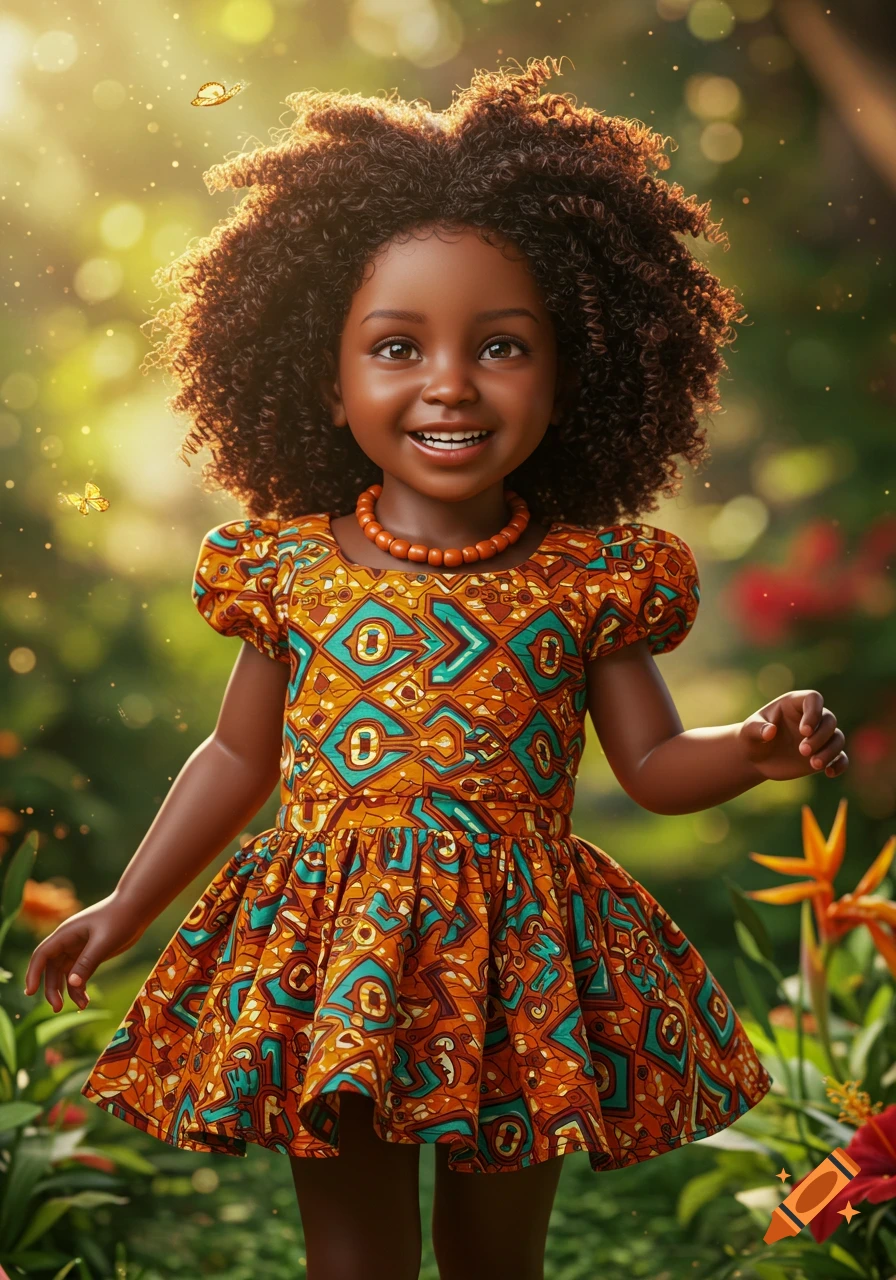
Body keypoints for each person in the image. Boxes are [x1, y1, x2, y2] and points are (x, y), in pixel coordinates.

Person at [24, 56, 848, 1280]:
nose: (448, 382)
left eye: (501, 345)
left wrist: (751, 749)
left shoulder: (586, 579)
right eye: (396, 346)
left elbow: (653, 763)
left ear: (571, 374)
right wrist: (125, 906)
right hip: (333, 944)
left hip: (520, 956)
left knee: (493, 1257)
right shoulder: (290, 570)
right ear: (328, 377)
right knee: (352, 1252)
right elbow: (238, 753)